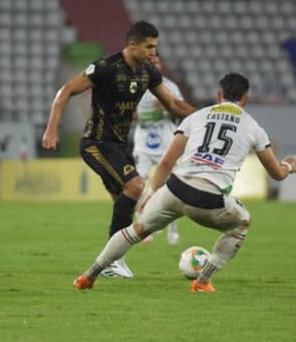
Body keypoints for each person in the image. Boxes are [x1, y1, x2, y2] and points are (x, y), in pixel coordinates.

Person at [73, 72, 296, 292]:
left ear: (219, 94)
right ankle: (203, 281)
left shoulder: (197, 116)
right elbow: (276, 173)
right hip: (208, 198)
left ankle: (88, 276)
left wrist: (151, 194)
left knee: (136, 230)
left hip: (175, 188)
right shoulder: (253, 128)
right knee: (242, 223)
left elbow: (166, 162)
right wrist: (288, 166)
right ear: (245, 99)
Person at [42, 20, 195, 278]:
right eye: (149, 47)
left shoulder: (148, 73)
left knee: (124, 201)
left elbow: (173, 105)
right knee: (135, 187)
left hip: (120, 145)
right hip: (96, 142)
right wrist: (51, 128)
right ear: (132, 45)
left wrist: (204, 116)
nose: (154, 52)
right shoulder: (106, 67)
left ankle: (112, 262)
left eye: (155, 47)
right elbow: (66, 91)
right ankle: (112, 262)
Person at [133, 54, 183, 245]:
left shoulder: (170, 87)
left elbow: (181, 110)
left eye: (156, 62)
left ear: (161, 65)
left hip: (166, 142)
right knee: (136, 184)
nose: (153, 65)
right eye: (149, 62)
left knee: (170, 187)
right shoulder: (135, 86)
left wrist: (167, 106)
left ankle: (173, 230)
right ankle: (143, 227)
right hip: (143, 142)